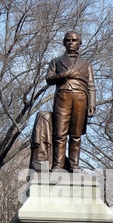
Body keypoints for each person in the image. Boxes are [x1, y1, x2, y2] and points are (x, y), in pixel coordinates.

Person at [46, 31, 96, 172]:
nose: (71, 43)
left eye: (74, 40)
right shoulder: (56, 61)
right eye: (68, 40)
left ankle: (74, 165)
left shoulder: (86, 64)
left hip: (81, 98)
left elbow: (91, 85)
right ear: (64, 42)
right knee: (60, 133)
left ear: (79, 43)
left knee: (76, 134)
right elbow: (49, 79)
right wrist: (63, 75)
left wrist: (92, 103)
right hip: (63, 97)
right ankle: (58, 165)